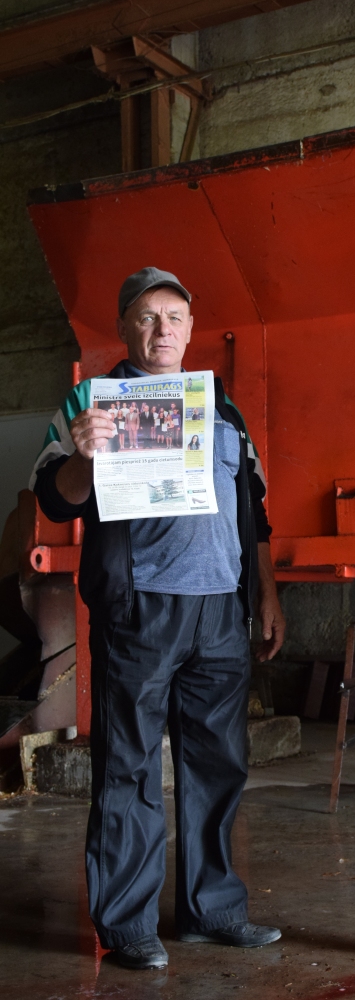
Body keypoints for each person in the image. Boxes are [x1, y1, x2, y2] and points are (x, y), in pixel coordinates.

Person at [29, 267, 286, 972]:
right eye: (147, 317)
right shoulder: (92, 401)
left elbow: (254, 511)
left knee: (217, 764)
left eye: (174, 316)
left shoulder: (220, 410)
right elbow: (55, 499)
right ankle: (126, 925)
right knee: (129, 768)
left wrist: (264, 595)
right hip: (138, 610)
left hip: (219, 609)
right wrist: (83, 454)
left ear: (191, 328)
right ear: (125, 328)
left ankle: (213, 911)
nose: (162, 330)